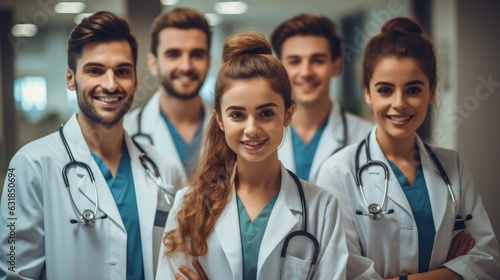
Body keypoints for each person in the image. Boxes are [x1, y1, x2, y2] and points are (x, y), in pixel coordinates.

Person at [0, 11, 184, 279]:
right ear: (70, 78)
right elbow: (15, 272)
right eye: (95, 70)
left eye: (122, 71)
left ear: (134, 79)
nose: (110, 85)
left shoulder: (165, 171)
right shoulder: (29, 166)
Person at [316, 17, 500, 279]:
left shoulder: (452, 165)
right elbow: (345, 273)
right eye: (385, 90)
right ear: (368, 93)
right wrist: (451, 272)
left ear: (432, 91)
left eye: (413, 89)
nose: (399, 103)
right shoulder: (338, 172)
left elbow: (488, 261)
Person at [156, 33, 348, 280]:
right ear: (219, 119)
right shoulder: (188, 206)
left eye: (266, 113)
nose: (251, 129)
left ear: (288, 114)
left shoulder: (322, 208)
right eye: (237, 115)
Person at [270, 14, 374, 183]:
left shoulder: (367, 137)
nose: (306, 72)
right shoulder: (260, 135)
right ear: (279, 68)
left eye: (317, 61)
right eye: (294, 61)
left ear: (336, 66)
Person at [124, 7, 212, 182]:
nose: (186, 66)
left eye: (197, 55)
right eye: (174, 55)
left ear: (208, 62)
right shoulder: (125, 132)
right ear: (153, 63)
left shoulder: (231, 129)